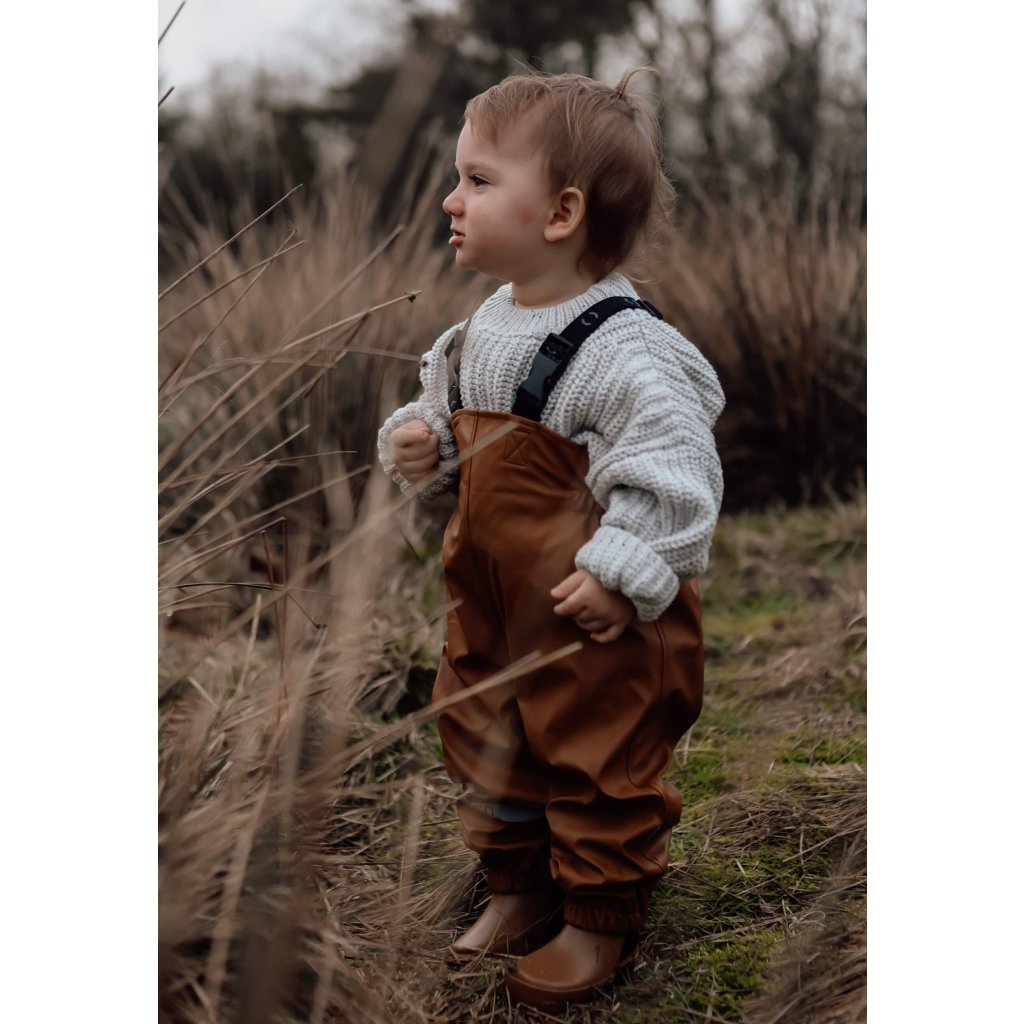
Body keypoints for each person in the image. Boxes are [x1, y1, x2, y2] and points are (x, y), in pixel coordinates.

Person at [377, 68, 725, 1010]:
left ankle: (600, 912)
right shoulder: (481, 328)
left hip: (593, 618)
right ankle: (520, 884)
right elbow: (448, 414)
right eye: (459, 179)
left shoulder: (622, 346)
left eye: (479, 181)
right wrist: (423, 442)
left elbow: (676, 469)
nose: (451, 200)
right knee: (482, 727)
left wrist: (623, 570)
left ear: (562, 212)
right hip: (489, 598)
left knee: (594, 748)